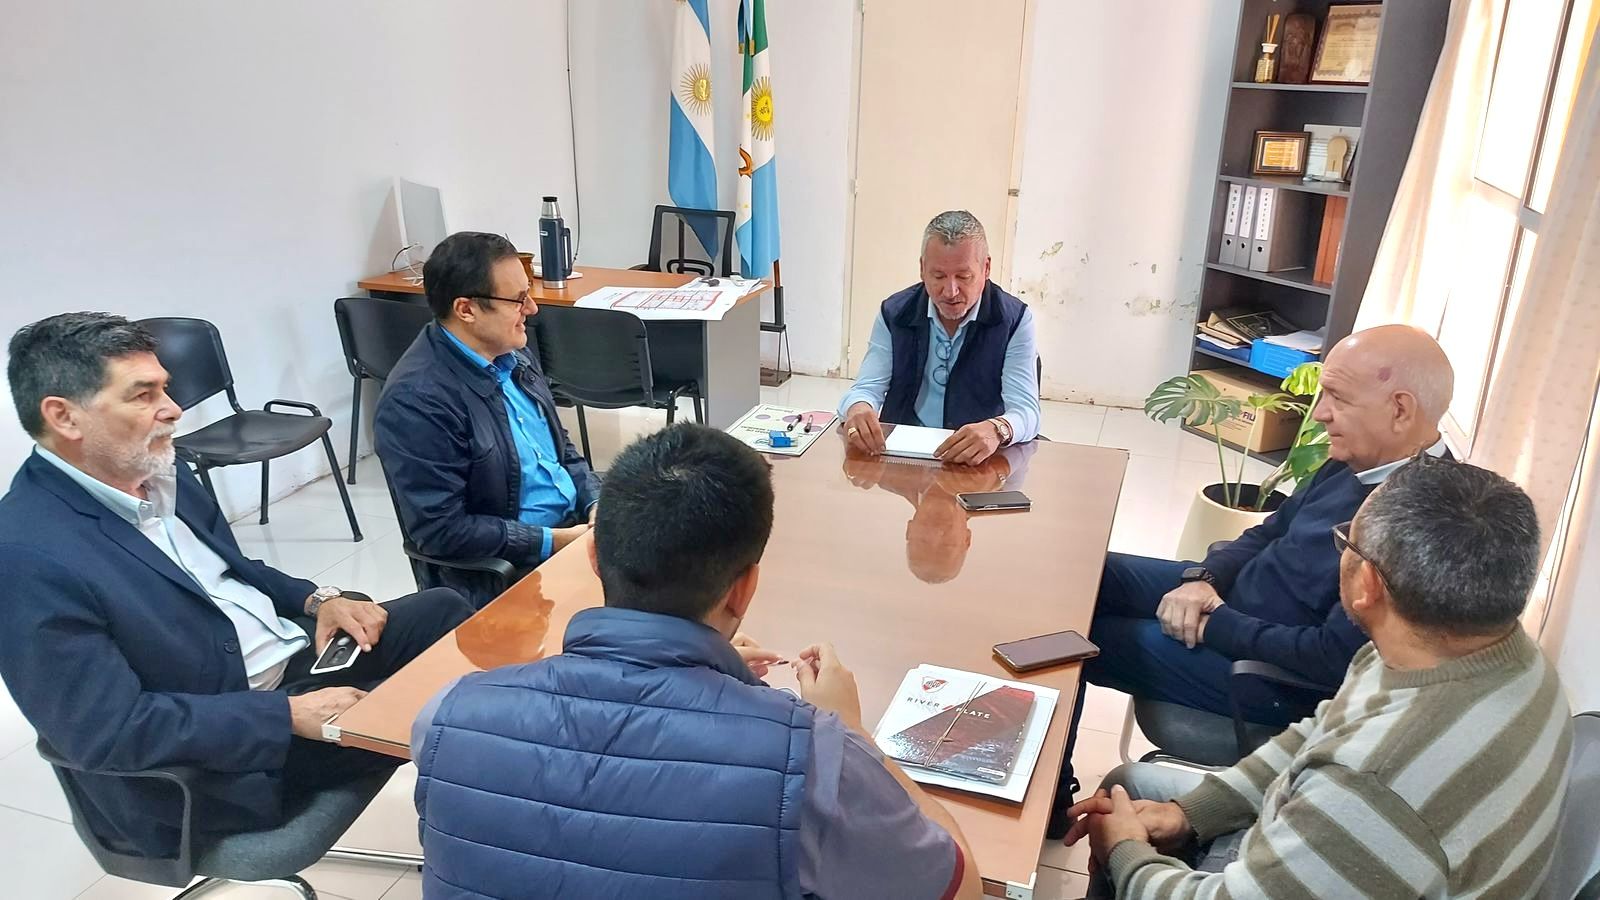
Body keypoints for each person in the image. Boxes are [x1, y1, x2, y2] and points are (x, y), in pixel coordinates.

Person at [411, 424, 982, 900]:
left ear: (594, 555)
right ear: (745, 588)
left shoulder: (446, 717)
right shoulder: (815, 760)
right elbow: (962, 887)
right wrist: (854, 734)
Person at [0, 313, 472, 859]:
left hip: (282, 668)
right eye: (143, 395)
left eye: (165, 389)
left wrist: (317, 601)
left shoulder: (157, 475)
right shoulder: (27, 556)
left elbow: (232, 569)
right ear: (64, 416)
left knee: (446, 615)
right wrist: (286, 716)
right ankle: (484, 848)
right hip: (221, 751)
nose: (173, 409)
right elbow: (108, 732)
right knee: (453, 716)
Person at [1063, 456, 1573, 898]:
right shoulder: (1506, 658)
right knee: (1130, 789)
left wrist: (1126, 853)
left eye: (1344, 541)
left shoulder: (1372, 784)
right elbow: (1315, 735)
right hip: (1350, 854)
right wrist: (1191, 813)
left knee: (1118, 822)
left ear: (1367, 583)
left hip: (1325, 854)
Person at [1049, 324, 1454, 837]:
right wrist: (1203, 579)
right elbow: (1269, 531)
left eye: (1338, 398)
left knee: (1073, 641)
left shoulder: (1418, 521)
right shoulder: (1355, 458)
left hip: (1267, 673)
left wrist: (1216, 622)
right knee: (1084, 571)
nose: (1320, 413)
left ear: (1399, 409)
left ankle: (1047, 802)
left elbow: (1330, 659)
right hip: (1231, 604)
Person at [375, 231, 600, 608]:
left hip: (572, 532)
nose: (532, 309)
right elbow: (441, 531)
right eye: (518, 299)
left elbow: (563, 453)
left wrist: (596, 503)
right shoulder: (415, 401)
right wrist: (557, 541)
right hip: (509, 570)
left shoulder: (513, 354)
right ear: (466, 310)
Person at [838, 210, 1040, 466]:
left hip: (976, 462)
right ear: (922, 269)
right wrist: (858, 408)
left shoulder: (1013, 319)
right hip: (904, 460)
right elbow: (866, 388)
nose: (950, 291)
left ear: (986, 268)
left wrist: (997, 429)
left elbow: (1027, 411)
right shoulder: (895, 313)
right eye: (938, 276)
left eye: (964, 277)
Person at [843, 441, 1035, 583]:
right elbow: (1027, 446)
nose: (935, 532)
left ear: (909, 530)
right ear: (967, 539)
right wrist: (996, 472)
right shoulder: (1001, 494)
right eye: (946, 545)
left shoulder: (887, 475)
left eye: (923, 541)